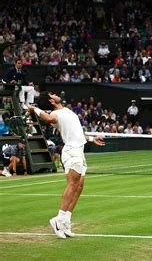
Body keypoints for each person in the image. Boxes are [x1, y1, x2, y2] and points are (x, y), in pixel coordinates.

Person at [27, 92, 105, 239]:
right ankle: (58, 219)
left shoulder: (65, 111)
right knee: (72, 184)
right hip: (71, 151)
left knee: (79, 186)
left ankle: (65, 221)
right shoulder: (56, 114)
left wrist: (91, 139)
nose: (56, 94)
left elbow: (77, 133)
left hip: (79, 149)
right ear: (51, 100)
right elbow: (49, 118)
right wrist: (34, 109)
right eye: (53, 94)